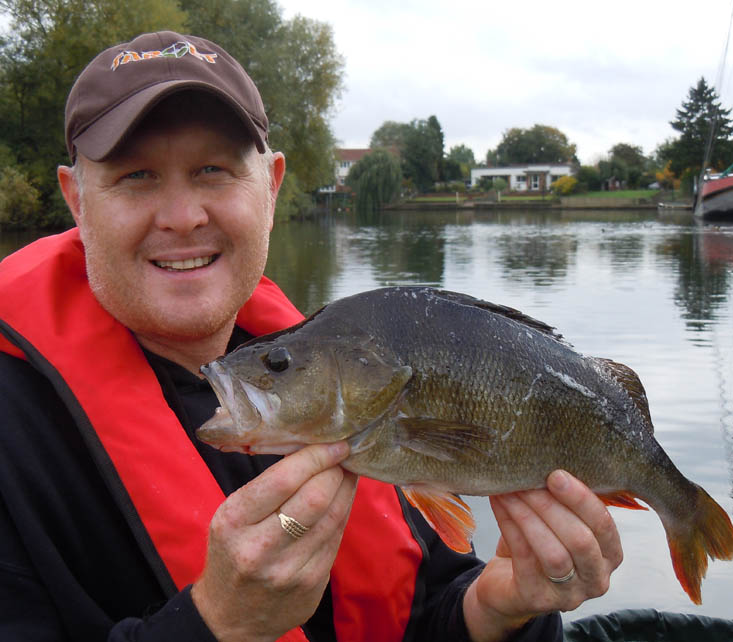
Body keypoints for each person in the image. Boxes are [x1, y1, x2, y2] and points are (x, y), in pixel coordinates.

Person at [0, 31, 622, 641]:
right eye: (136, 176)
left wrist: (496, 614)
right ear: (77, 200)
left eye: (213, 170)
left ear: (270, 188)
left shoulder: (331, 369)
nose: (183, 216)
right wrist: (217, 626)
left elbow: (427, 613)